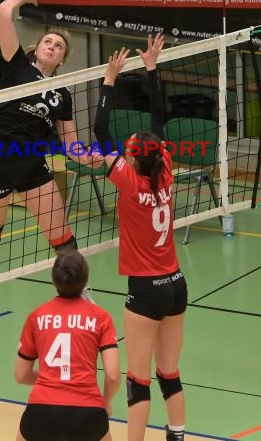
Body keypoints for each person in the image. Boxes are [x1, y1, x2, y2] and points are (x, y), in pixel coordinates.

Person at [0, 0, 103, 325]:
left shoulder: (64, 94)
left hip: (32, 164)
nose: (52, 46)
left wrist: (86, 158)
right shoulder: (16, 66)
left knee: (62, 236)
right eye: (48, 42)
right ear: (37, 48)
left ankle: (81, 291)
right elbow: (2, 12)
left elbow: (71, 145)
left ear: (62, 59)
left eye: (58, 46)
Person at [94, 34, 188, 441]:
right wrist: (151, 67)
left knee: (139, 378)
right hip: (176, 283)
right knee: (170, 373)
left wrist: (109, 79)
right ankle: (178, 434)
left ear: (133, 157)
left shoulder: (130, 184)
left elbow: (98, 131)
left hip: (147, 290)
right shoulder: (164, 168)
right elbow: (159, 121)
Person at [14, 250, 121, 441]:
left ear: (54, 279)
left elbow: (21, 375)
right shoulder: (101, 318)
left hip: (41, 412)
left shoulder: (36, 317)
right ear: (85, 280)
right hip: (87, 412)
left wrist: (53, 377)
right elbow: (113, 375)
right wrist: (106, 402)